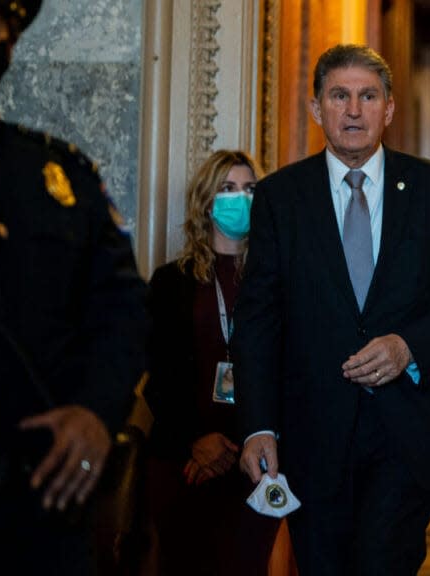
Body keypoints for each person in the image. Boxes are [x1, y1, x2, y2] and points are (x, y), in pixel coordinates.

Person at [232, 44, 430, 575]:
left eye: (368, 96)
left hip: (408, 430)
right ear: (316, 109)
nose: (354, 110)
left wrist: (407, 346)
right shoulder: (281, 197)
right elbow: (258, 320)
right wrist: (258, 424)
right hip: (311, 434)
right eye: (340, 96)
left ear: (388, 109)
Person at [0, 0, 147, 574]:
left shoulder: (61, 176)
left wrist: (97, 413)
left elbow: (124, 312)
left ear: (11, 37)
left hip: (40, 508)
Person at [144, 150, 282, 575]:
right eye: (227, 189)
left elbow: (288, 370)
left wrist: (253, 440)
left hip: (255, 460)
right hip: (187, 461)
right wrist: (197, 440)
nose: (240, 198)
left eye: (249, 189)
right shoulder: (171, 282)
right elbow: (158, 377)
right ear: (207, 200)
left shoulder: (277, 280)